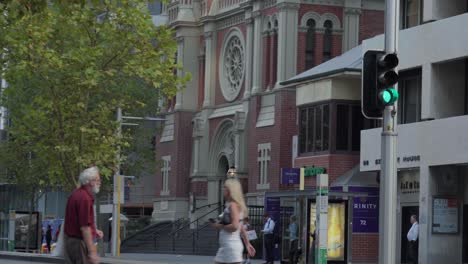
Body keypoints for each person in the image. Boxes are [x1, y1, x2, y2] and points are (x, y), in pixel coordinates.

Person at [64, 166, 104, 264]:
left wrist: (94, 230)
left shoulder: (76, 194)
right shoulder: (85, 198)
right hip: (79, 243)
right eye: (98, 180)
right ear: (91, 182)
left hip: (71, 242)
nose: (100, 182)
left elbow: (78, 221)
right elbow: (85, 227)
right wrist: (92, 252)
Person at [211, 178, 255, 264]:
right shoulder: (234, 205)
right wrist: (247, 243)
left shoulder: (233, 205)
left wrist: (219, 225)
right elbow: (241, 228)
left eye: (225, 187)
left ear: (230, 190)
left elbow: (235, 226)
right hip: (228, 246)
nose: (222, 189)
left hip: (230, 246)